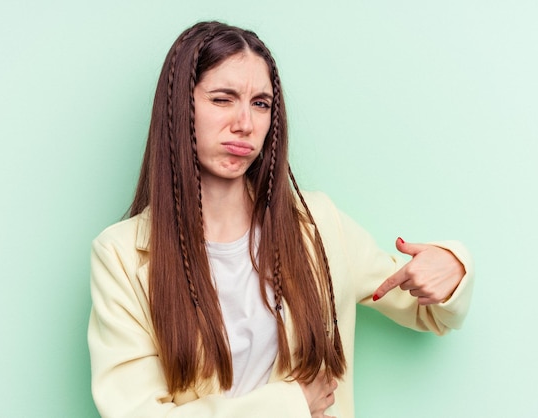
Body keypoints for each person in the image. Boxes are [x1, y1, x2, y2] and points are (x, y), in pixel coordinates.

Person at [87, 21, 474, 418]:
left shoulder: (317, 225)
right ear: (179, 106)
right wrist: (290, 405)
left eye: (261, 103)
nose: (245, 124)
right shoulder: (121, 256)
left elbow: (427, 309)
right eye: (223, 99)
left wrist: (453, 268)